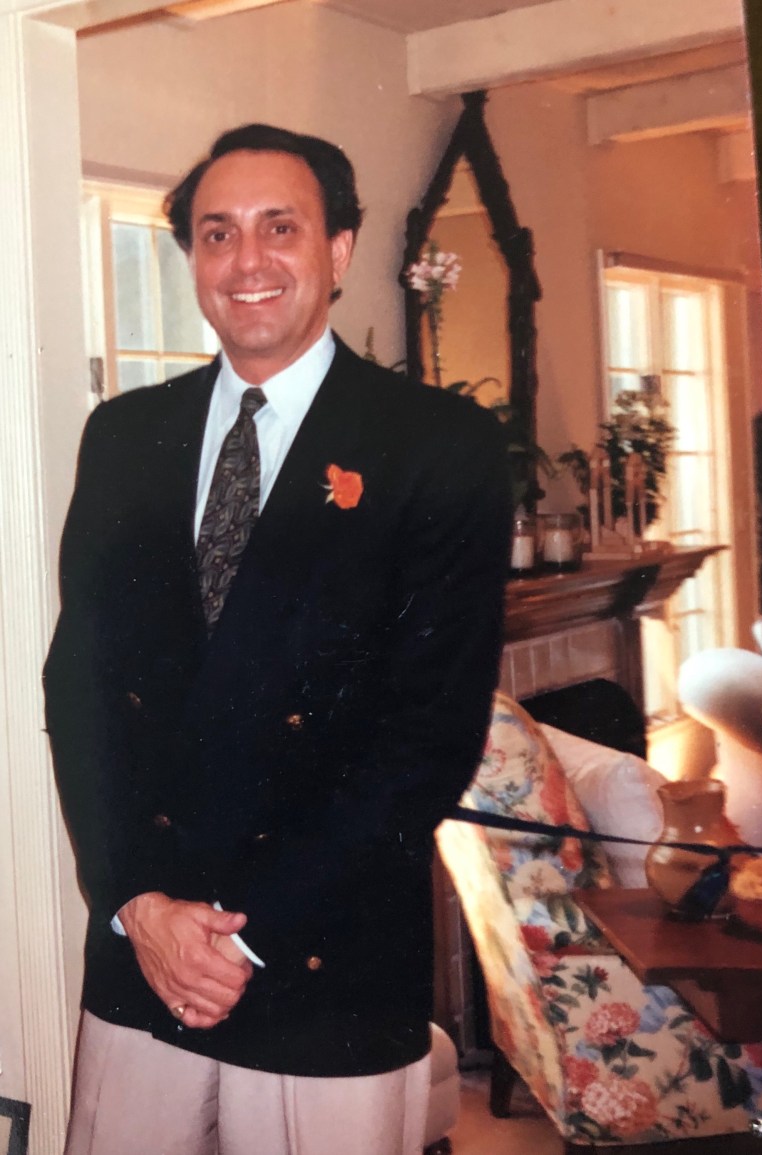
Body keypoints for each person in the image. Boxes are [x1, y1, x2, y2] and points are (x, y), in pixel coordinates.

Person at [44, 122, 512, 1155]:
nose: (246, 260)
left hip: (324, 959)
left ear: (338, 250)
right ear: (193, 260)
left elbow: (426, 737)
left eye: (279, 227)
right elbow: (80, 689)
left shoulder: (438, 446)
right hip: (144, 949)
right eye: (217, 233)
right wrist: (137, 905)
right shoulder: (124, 437)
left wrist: (235, 937)